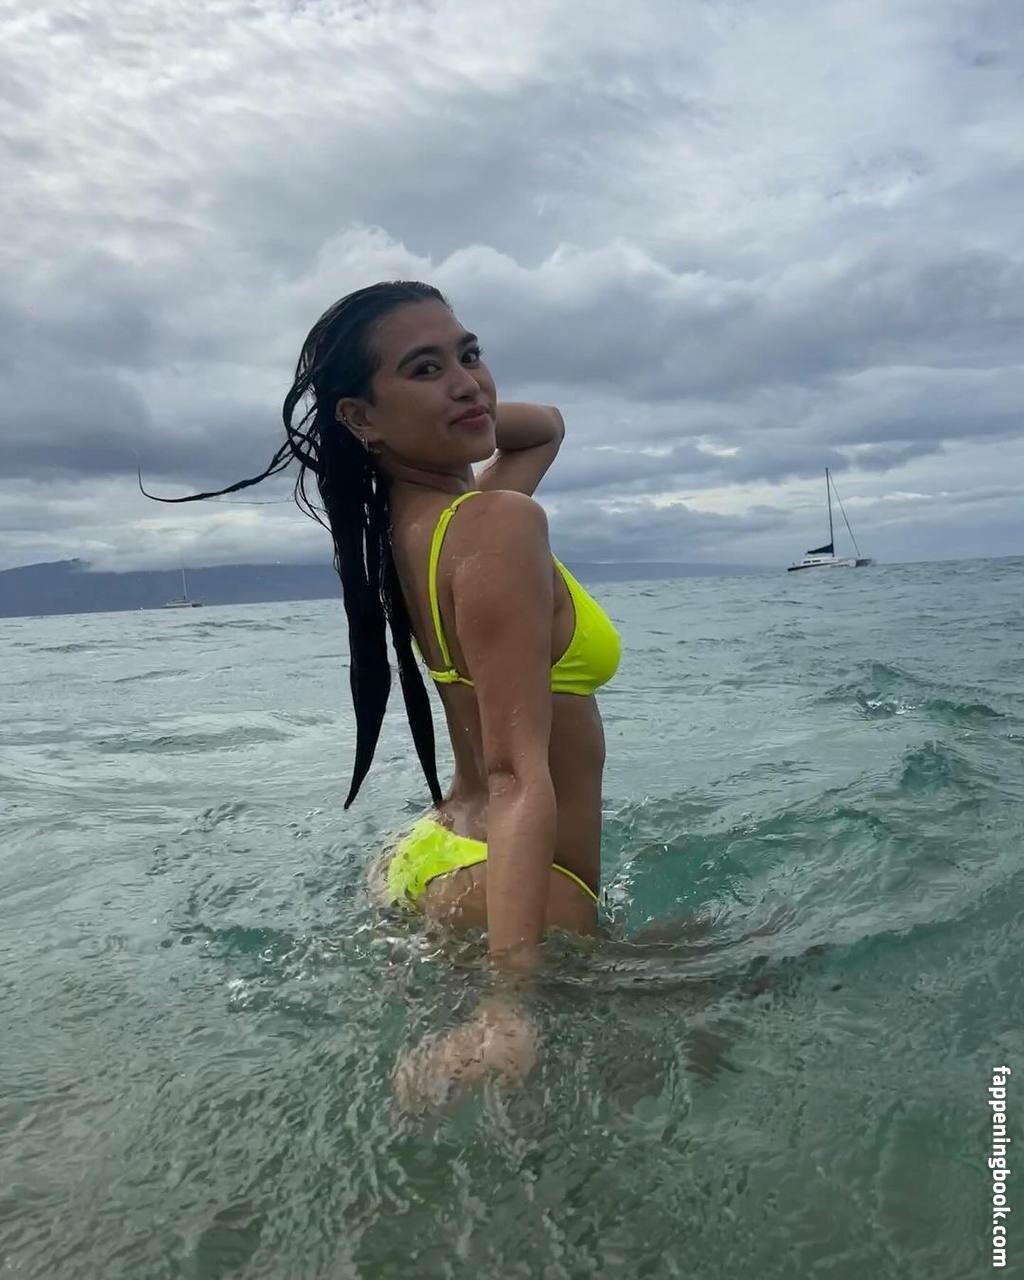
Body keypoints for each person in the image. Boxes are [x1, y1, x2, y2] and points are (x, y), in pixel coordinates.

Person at [142, 281, 621, 1106]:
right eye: (425, 369)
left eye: (470, 355)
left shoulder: (420, 526)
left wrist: (444, 411)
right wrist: (508, 1002)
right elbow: (516, 773)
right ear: (360, 416)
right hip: (520, 878)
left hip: (434, 854)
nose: (468, 383)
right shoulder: (498, 525)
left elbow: (545, 427)